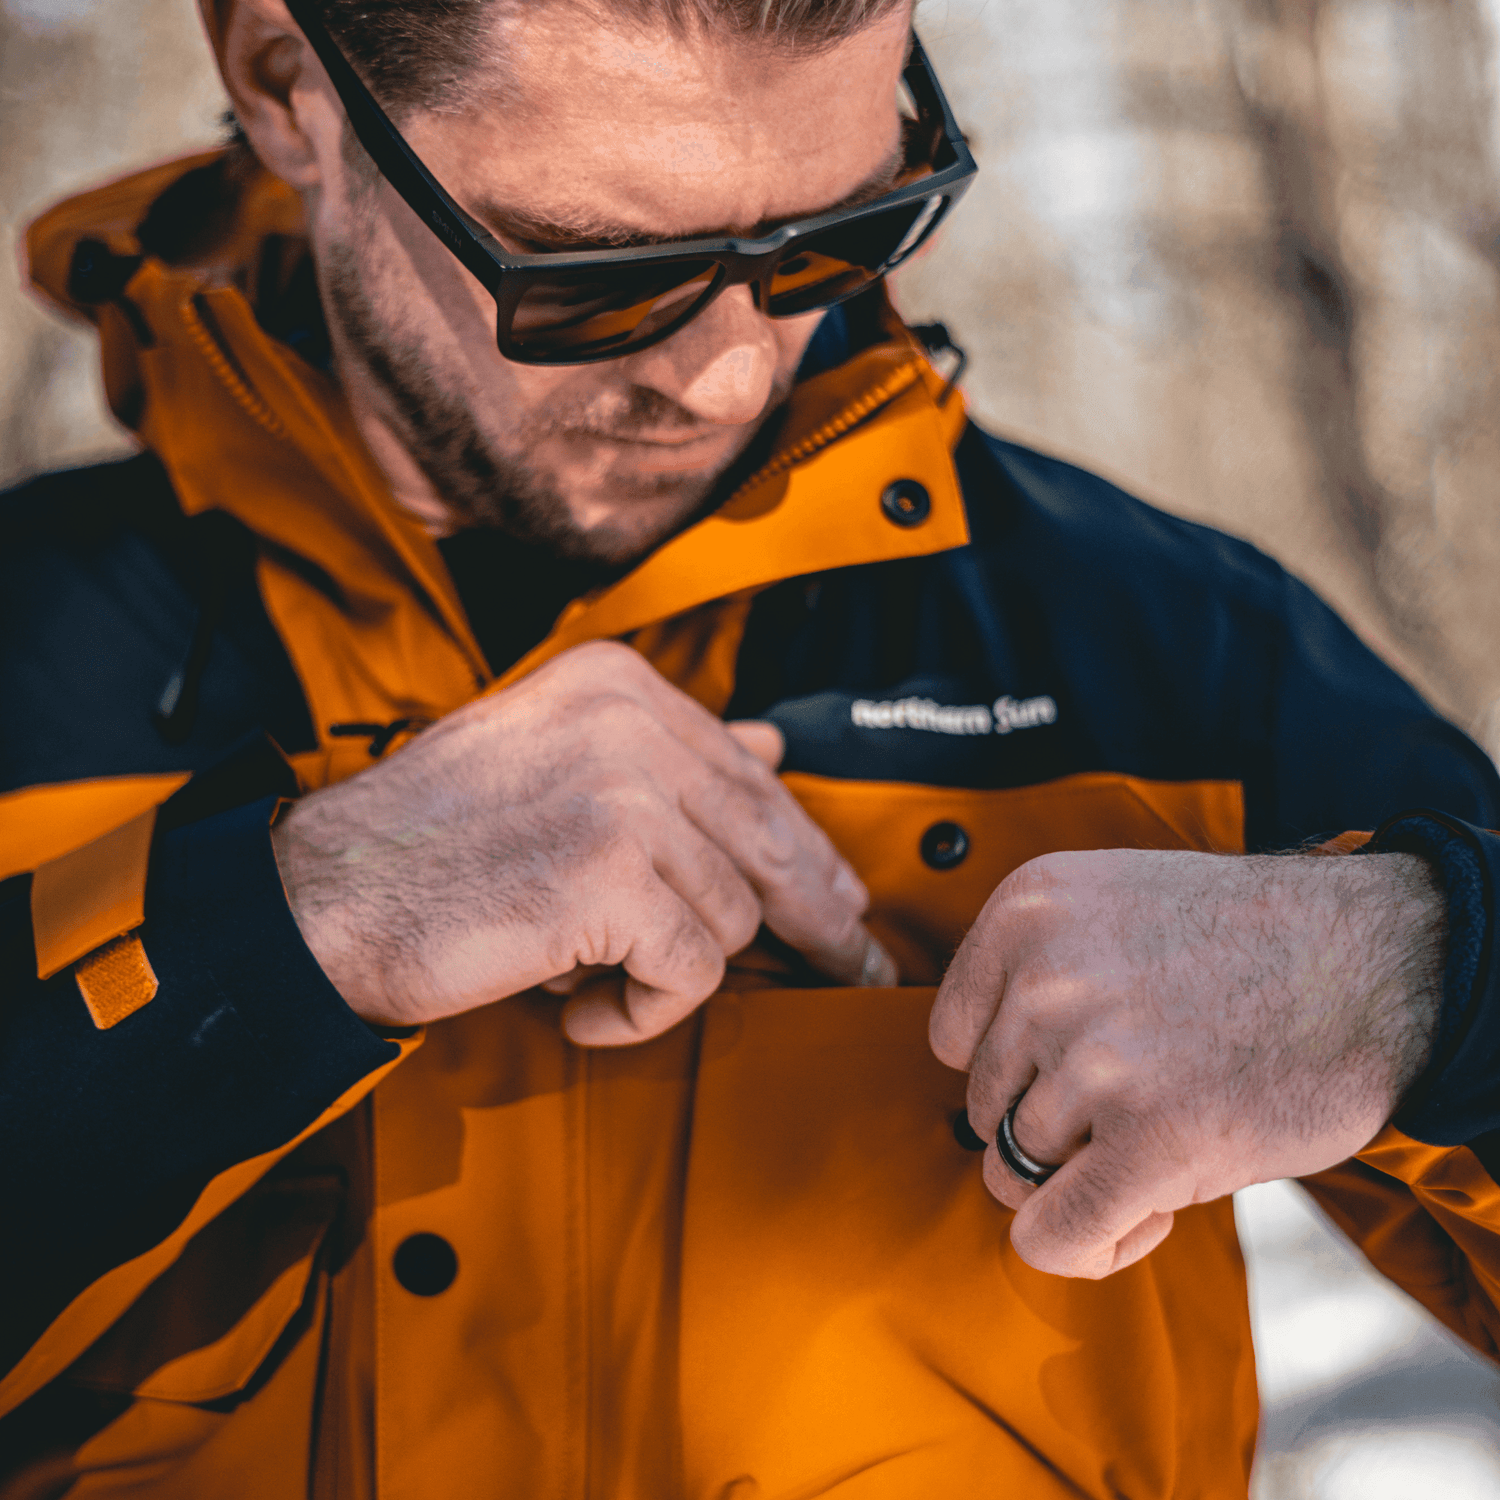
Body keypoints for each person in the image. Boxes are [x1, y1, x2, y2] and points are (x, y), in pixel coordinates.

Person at [1, 0, 1497, 1493]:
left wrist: (1430, 971)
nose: (729, 377)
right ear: (284, 85)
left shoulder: (1165, 656)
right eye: (595, 273)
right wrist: (278, 938)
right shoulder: (33, 656)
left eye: (838, 238)